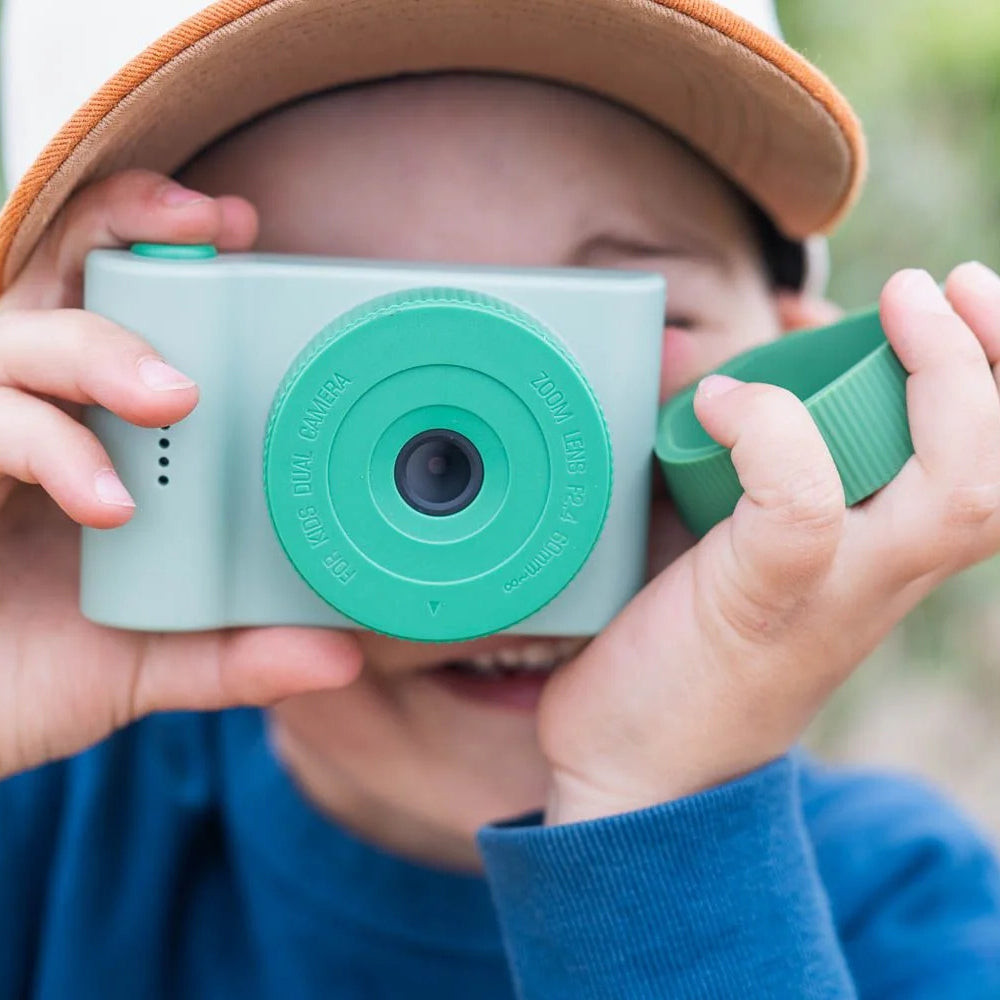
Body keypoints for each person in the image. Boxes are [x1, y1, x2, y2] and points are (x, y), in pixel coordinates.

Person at [1, 1, 1000, 997]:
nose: (487, 462)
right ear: (101, 398)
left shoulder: (913, 909)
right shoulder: (38, 821)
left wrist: (654, 806)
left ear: (798, 370)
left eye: (625, 320)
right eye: (353, 346)